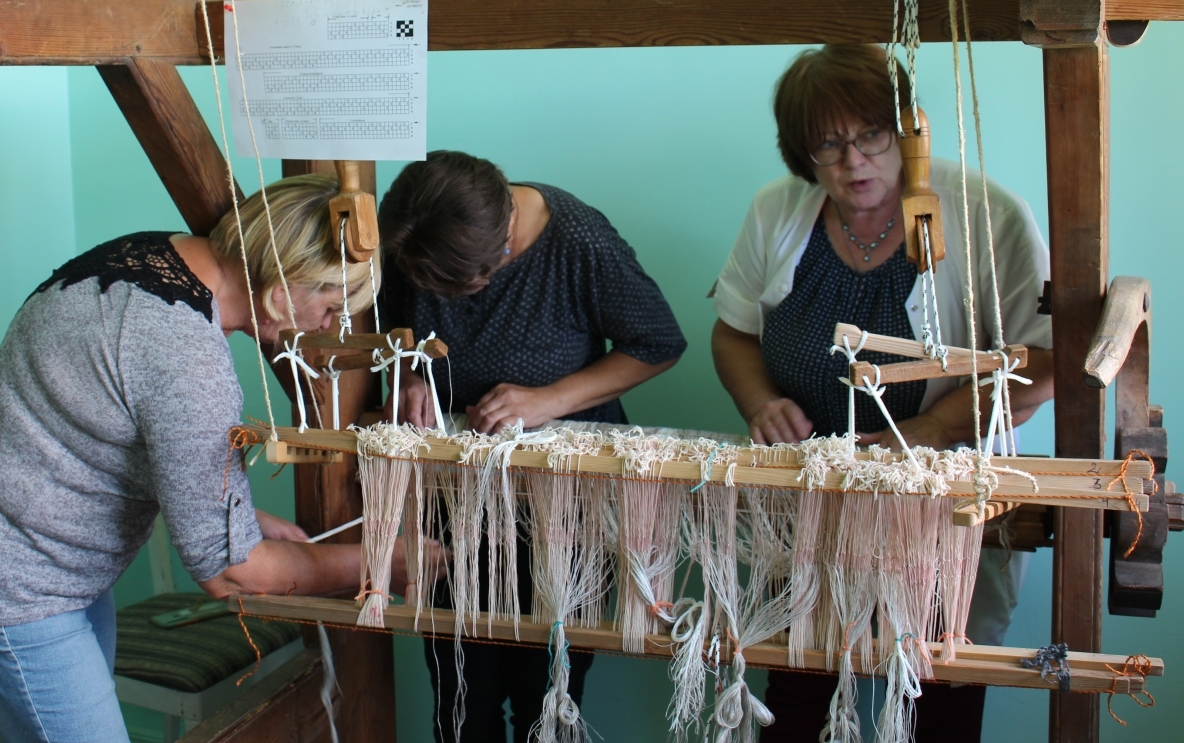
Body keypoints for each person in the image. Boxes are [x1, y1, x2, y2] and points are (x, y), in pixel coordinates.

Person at [0, 175, 428, 743]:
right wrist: (377, 564)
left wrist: (238, 519)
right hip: (9, 581)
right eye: (329, 307)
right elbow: (233, 573)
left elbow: (115, 423)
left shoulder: (150, 254)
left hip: (44, 561)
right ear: (280, 293)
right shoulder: (186, 354)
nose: (329, 327)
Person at [709, 44, 1055, 743]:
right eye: (828, 145)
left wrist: (928, 433)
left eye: (871, 135)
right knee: (797, 697)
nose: (853, 161)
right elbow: (734, 333)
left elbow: (1041, 363)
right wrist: (759, 404)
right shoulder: (779, 211)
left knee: (938, 693)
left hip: (939, 511)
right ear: (801, 153)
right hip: (813, 507)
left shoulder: (988, 214)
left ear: (908, 131)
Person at [378, 150, 687, 742]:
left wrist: (551, 399)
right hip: (458, 491)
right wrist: (408, 372)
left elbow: (658, 342)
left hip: (563, 499)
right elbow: (390, 325)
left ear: (505, 240)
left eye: (467, 283)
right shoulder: (418, 231)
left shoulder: (578, 241)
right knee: (460, 697)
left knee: (548, 700)